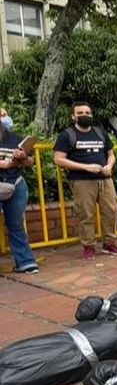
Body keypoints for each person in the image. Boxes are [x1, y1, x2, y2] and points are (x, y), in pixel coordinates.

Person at [54, 102, 117, 260]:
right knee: (85, 213)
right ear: (73, 116)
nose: (84, 115)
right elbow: (58, 159)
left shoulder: (100, 132)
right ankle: (88, 246)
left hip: (105, 179)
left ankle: (109, 243)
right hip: (82, 181)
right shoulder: (67, 135)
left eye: (87, 113)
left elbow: (111, 155)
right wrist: (85, 167)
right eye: (80, 113)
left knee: (111, 210)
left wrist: (109, 166)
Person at [0, 107, 39, 273]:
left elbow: (30, 162)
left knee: (16, 225)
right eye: (1, 115)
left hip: (15, 184)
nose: (4, 118)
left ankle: (25, 262)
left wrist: (24, 157)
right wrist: (3, 164)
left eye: (4, 115)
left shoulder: (14, 137)